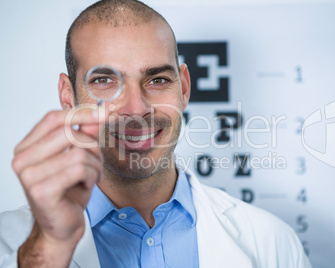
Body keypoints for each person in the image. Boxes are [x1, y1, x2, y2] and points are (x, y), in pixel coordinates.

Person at [0, 0, 312, 267]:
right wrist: (50, 247)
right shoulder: (10, 242)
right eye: (105, 81)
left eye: (158, 80)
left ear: (185, 88)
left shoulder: (272, 243)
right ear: (68, 98)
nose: (136, 110)